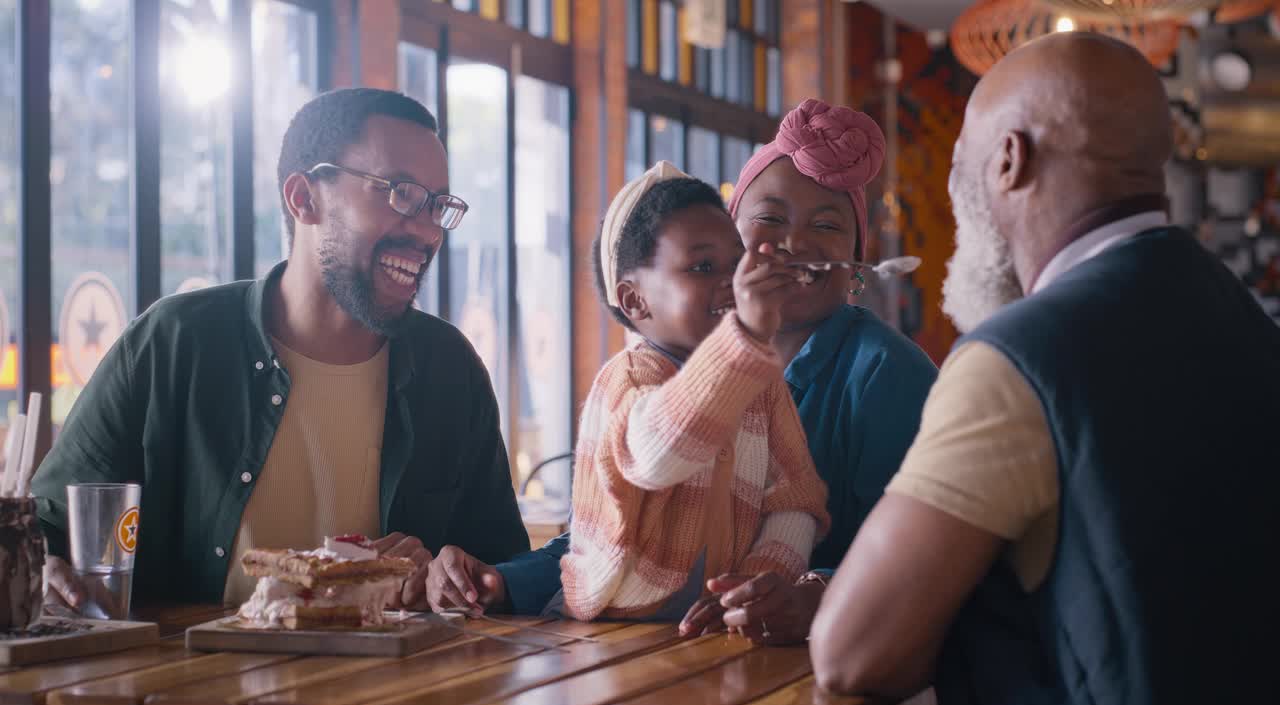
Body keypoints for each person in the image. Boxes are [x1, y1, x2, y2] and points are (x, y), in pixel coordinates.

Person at [809, 33, 1280, 705]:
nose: (952, 182)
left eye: (959, 159)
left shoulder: (1018, 357)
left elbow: (852, 653)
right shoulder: (1242, 316)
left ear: (1009, 158)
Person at [425, 101, 937, 643]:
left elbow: (919, 553)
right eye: (768, 219)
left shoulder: (886, 372)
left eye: (829, 225)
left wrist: (805, 591)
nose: (795, 243)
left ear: (856, 259)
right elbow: (607, 540)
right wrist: (500, 583)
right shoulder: (649, 378)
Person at [34, 88, 529, 611]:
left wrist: (450, 582)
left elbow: (504, 571)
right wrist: (41, 569)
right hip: (183, 687)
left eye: (438, 205)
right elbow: (47, 526)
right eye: (401, 193)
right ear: (304, 198)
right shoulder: (175, 344)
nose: (428, 231)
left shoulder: (448, 370)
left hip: (391, 692)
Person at [560, 162, 830, 621]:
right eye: (703, 266)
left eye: (736, 261)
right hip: (613, 624)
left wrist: (755, 583)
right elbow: (656, 453)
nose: (730, 280)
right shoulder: (626, 379)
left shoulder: (762, 387)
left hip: (713, 625)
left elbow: (795, 499)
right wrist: (744, 333)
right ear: (634, 301)